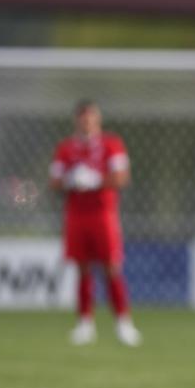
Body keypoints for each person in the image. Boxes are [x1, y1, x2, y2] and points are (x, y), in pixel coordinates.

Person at [49, 99, 142, 347]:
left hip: (103, 214)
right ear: (76, 121)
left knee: (112, 267)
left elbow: (122, 177)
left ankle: (123, 323)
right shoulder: (66, 149)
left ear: (97, 120)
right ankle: (85, 324)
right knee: (82, 269)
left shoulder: (112, 144)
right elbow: (54, 181)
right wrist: (70, 180)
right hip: (77, 215)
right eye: (82, 118)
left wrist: (96, 180)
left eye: (91, 118)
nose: (87, 123)